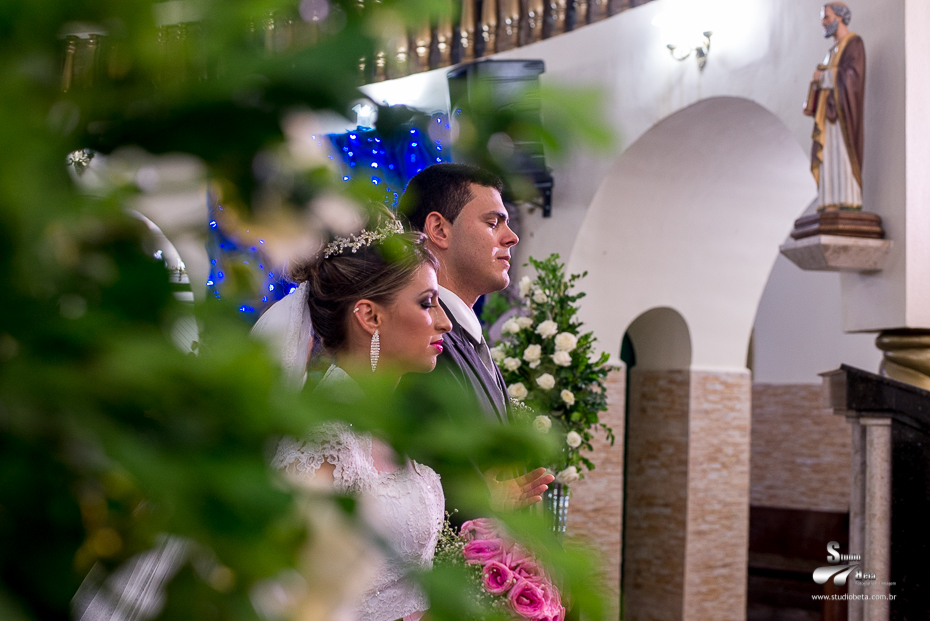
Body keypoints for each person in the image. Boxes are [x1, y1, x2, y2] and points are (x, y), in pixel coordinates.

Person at [253, 208, 452, 621]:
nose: (444, 322)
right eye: (427, 303)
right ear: (370, 316)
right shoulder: (322, 443)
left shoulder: (392, 425)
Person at [398, 163, 553, 511]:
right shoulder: (423, 345)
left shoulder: (465, 336)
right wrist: (485, 506)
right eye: (493, 222)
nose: (511, 237)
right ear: (440, 229)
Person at [804, 2, 865, 211]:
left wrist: (824, 77)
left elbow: (853, 77)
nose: (823, 22)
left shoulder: (853, 43)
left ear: (839, 17)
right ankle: (829, 200)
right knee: (828, 157)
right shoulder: (831, 52)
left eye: (826, 17)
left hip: (843, 115)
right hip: (828, 115)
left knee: (842, 156)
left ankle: (848, 199)